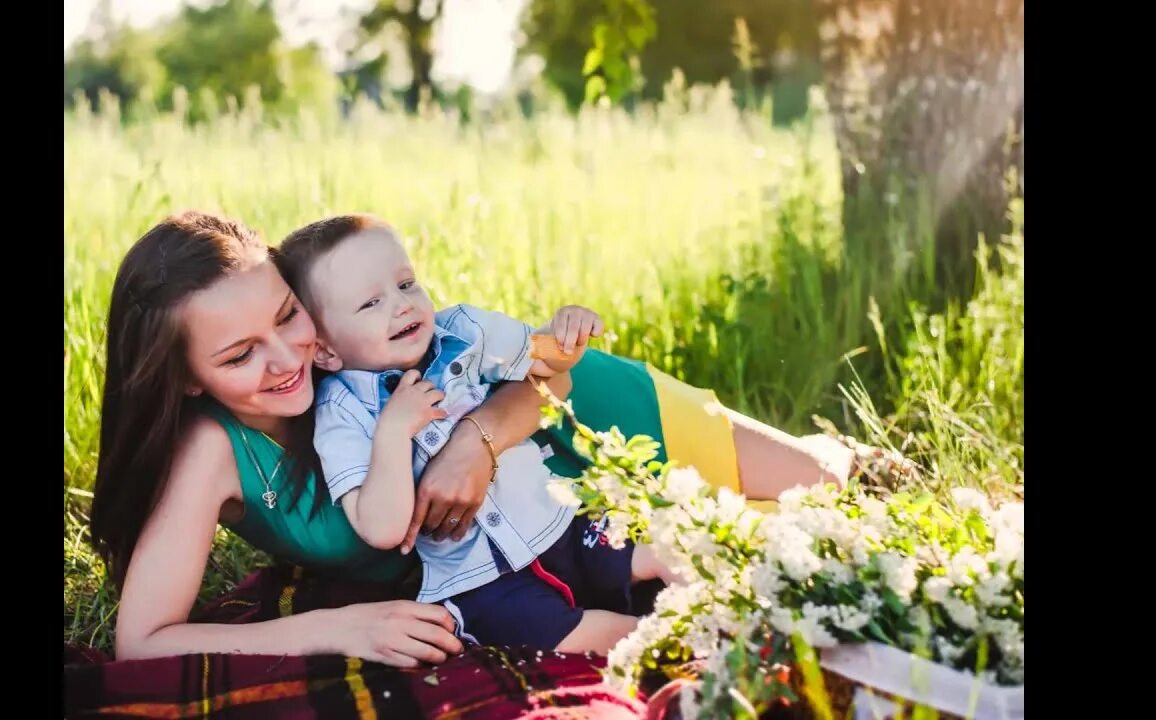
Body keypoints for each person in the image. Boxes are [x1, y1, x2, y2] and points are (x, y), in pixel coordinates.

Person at [88, 209, 854, 667]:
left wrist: (472, 443)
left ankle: (860, 456)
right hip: (535, 538)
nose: (287, 358)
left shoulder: (353, 344)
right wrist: (338, 629)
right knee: (751, 537)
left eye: (287, 317)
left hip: (585, 421)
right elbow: (144, 641)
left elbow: (542, 379)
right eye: (237, 354)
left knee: (824, 483)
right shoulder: (212, 451)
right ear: (183, 377)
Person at [278, 214, 679, 654]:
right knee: (574, 634)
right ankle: (676, 644)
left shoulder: (464, 331)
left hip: (557, 522)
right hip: (481, 579)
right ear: (326, 351)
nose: (401, 305)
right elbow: (382, 528)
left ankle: (722, 606)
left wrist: (565, 333)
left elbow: (546, 366)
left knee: (661, 549)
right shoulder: (341, 413)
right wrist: (393, 430)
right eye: (370, 304)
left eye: (406, 284)